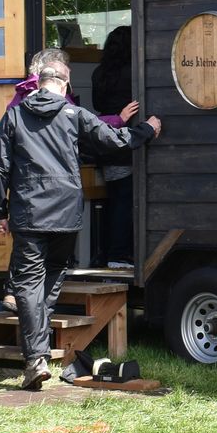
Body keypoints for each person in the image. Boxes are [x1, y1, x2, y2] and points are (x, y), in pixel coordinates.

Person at [0, 54, 159, 389]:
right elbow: (114, 141)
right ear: (64, 85)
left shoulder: (14, 117)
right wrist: (146, 130)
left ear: (37, 84)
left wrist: (1, 212)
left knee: (26, 284)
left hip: (29, 214)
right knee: (52, 276)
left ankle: (36, 357)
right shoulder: (73, 114)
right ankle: (38, 351)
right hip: (66, 213)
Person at [90, 26, 139, 267]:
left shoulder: (99, 73)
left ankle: (106, 254)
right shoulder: (135, 73)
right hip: (128, 140)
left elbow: (97, 105)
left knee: (113, 199)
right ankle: (119, 255)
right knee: (125, 201)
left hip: (105, 140)